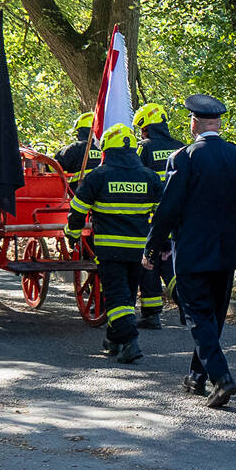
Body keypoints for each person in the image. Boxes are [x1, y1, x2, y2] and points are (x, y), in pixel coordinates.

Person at [146, 94, 236, 409]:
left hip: (192, 253)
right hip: (225, 253)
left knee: (198, 317)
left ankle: (221, 378)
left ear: (194, 123)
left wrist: (153, 247)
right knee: (211, 318)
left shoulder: (184, 158)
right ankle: (196, 376)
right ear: (218, 124)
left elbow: (168, 209)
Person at [68, 123, 162, 364]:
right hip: (140, 251)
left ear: (106, 150)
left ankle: (130, 342)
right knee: (127, 295)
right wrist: (162, 243)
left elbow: (77, 211)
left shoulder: (98, 176)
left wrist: (72, 234)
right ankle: (113, 338)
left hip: (110, 251)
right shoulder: (149, 177)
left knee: (117, 296)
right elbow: (163, 214)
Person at [129, 103, 184, 330]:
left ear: (146, 128)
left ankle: (151, 314)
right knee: (170, 263)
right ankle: (187, 305)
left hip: (151, 216)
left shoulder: (142, 148)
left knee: (149, 262)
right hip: (178, 217)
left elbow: (133, 177)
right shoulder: (181, 148)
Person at [56, 111, 100, 191]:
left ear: (80, 131)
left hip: (79, 194)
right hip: (104, 195)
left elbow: (54, 166)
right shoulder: (106, 150)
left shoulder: (75, 148)